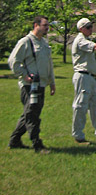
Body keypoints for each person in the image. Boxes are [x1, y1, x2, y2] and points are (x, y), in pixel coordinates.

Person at [8, 15, 56, 153]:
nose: (47, 28)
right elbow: (13, 61)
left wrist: (52, 82)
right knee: (32, 115)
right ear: (36, 25)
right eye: (45, 25)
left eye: (48, 26)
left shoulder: (44, 43)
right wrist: (25, 75)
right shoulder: (26, 42)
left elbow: (49, 65)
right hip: (29, 86)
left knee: (29, 114)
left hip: (41, 85)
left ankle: (15, 140)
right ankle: (37, 145)